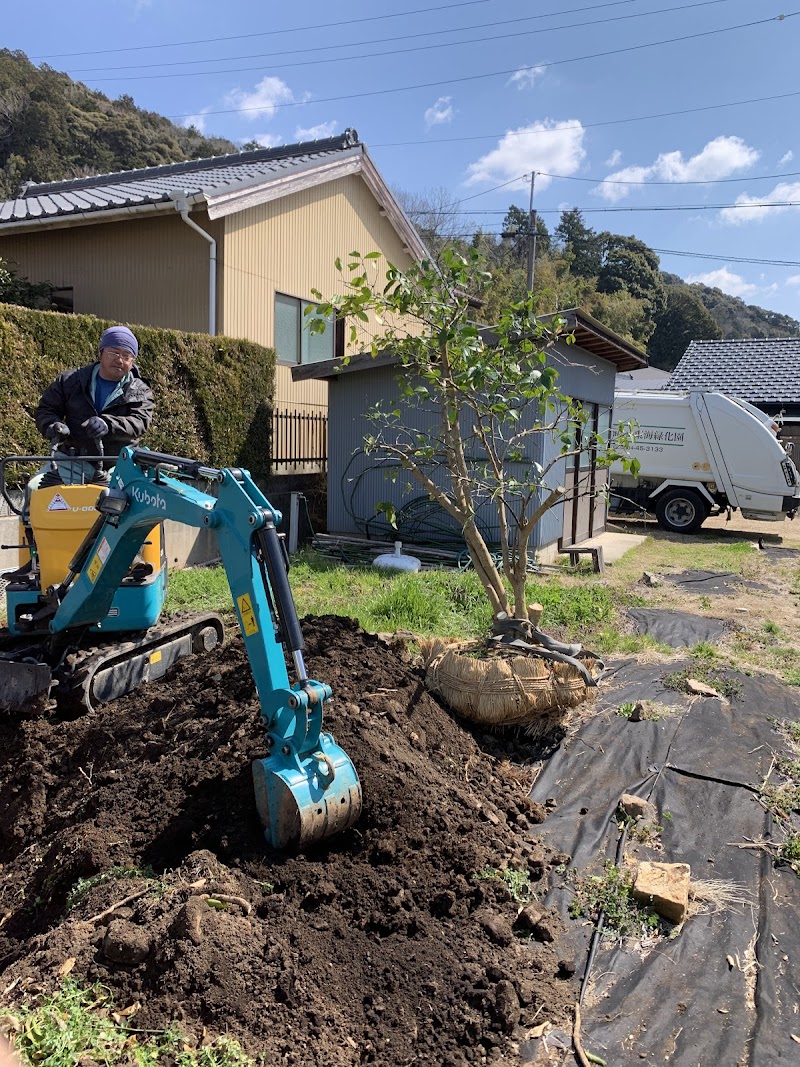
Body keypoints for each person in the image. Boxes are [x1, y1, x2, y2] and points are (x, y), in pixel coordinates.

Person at [33, 325, 154, 488]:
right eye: (114, 352)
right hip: (73, 459)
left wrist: (108, 424)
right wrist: (52, 426)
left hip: (119, 464)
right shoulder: (69, 381)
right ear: (101, 353)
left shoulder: (141, 390)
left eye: (126, 355)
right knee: (34, 490)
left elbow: (139, 422)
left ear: (132, 362)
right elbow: (46, 409)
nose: (119, 360)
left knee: (121, 504)